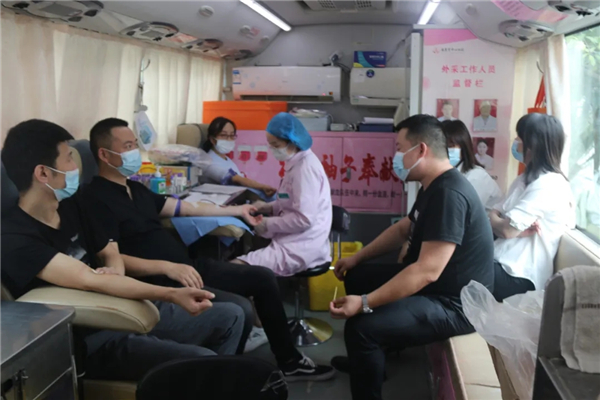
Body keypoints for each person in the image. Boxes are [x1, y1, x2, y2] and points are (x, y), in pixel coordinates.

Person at [83, 117, 335, 381]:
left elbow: (184, 208)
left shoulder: (136, 189)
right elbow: (110, 257)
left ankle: (288, 362)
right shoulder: (94, 199)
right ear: (104, 154)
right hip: (162, 278)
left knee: (261, 277)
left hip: (188, 267)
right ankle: (223, 373)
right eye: (128, 146)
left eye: (136, 144)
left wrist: (238, 210)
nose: (135, 151)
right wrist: (167, 267)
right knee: (242, 308)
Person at [1, 119, 245, 382]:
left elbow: (110, 252)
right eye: (69, 159)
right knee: (203, 362)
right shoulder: (14, 237)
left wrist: (115, 271)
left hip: (121, 302)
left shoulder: (73, 204)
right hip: (91, 335)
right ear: (43, 173)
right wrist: (172, 294)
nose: (76, 167)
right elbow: (88, 279)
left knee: (231, 316)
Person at [329, 114, 495, 400]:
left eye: (399, 148)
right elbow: (403, 229)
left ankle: (368, 351)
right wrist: (357, 258)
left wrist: (365, 303)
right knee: (357, 275)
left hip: (455, 305)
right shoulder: (434, 185)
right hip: (438, 287)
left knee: (361, 328)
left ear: (421, 150)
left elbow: (427, 271)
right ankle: (368, 360)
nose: (395, 157)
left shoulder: (449, 194)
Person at [233, 113, 332, 276]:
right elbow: (291, 201)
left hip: (303, 246)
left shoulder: (305, 170)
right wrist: (268, 207)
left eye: (276, 145)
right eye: (270, 145)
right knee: (249, 255)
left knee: (235, 268)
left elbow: (304, 219)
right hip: (296, 238)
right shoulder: (296, 162)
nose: (272, 149)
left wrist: (268, 223)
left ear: (293, 141)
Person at [490, 113, 575, 301]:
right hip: (499, 260)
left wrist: (504, 225)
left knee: (455, 265)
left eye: (519, 137)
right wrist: (506, 226)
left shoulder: (549, 184)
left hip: (519, 274)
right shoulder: (524, 179)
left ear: (532, 145)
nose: (516, 142)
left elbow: (507, 230)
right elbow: (493, 214)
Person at [201, 117, 277, 197]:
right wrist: (262, 187)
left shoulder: (226, 160)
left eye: (231, 135)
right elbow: (236, 179)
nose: (228, 139)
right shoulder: (208, 162)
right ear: (212, 139)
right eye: (223, 135)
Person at [442, 120, 503, 209]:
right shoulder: (446, 173)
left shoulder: (476, 176)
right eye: (442, 147)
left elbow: (459, 210)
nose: (445, 151)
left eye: (450, 146)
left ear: (463, 146)